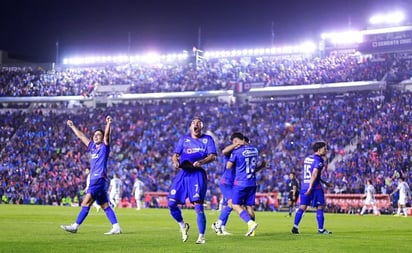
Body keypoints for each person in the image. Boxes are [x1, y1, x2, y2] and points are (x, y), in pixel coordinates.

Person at [61, 115, 121, 235]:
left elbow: (107, 136)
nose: (95, 136)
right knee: (104, 205)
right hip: (99, 180)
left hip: (98, 179)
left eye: (98, 134)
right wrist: (73, 126)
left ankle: (75, 226)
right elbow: (81, 136)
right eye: (94, 135)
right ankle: (116, 227)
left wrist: (108, 123)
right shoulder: (92, 147)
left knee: (86, 202)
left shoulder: (104, 147)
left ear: (102, 137)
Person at [168, 117, 217, 244]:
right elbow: (175, 155)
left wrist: (201, 162)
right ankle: (182, 225)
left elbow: (213, 156)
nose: (195, 125)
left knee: (198, 205)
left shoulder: (207, 139)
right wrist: (175, 162)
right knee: (171, 203)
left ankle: (201, 236)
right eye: (193, 123)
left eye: (198, 123)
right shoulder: (184, 139)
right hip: (183, 173)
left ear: (202, 126)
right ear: (190, 127)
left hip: (197, 174)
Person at [291, 141, 332, 234]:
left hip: (304, 185)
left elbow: (313, 175)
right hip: (314, 187)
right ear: (319, 149)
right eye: (324, 148)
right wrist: (311, 187)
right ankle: (321, 229)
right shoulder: (319, 160)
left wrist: (324, 182)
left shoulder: (307, 158)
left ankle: (295, 226)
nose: (326, 150)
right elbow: (314, 174)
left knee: (302, 207)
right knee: (320, 207)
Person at [211, 132, 244, 236]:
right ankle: (217, 224)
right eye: (237, 141)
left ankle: (221, 227)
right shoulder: (230, 151)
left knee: (228, 206)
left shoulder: (240, 153)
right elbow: (223, 151)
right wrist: (236, 144)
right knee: (231, 204)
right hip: (226, 182)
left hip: (234, 183)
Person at [226, 134, 259, 236]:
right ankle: (252, 231)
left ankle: (250, 223)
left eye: (236, 141)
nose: (234, 144)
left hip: (240, 182)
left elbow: (228, 166)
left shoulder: (236, 152)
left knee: (235, 205)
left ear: (241, 140)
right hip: (252, 182)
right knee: (249, 206)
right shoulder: (255, 150)